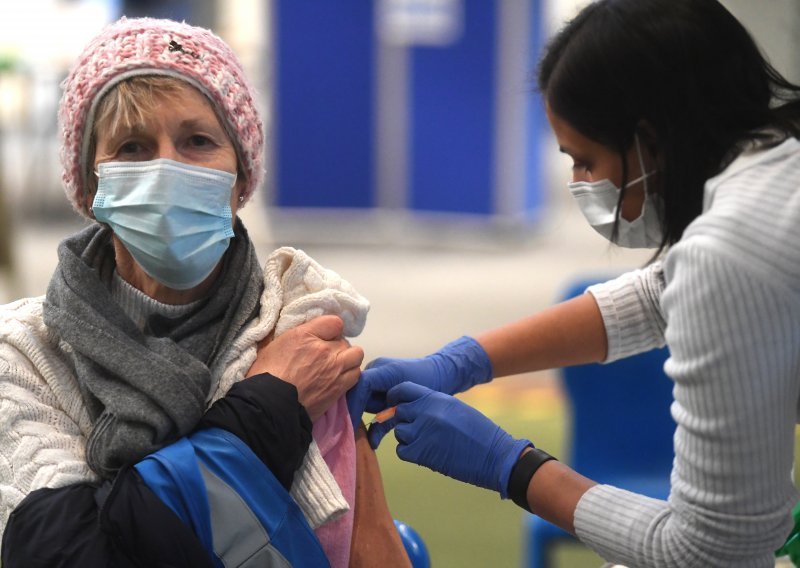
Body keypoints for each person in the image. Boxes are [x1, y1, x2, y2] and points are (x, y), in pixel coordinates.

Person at [347, 0, 800, 566]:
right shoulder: (778, 171)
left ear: (649, 142)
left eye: (584, 161)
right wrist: (462, 361)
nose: (578, 183)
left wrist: (512, 466)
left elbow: (711, 552)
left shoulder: (732, 248)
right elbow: (664, 294)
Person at [0, 16, 411, 567]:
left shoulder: (300, 324)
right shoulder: (25, 353)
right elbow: (66, 556)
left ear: (241, 178)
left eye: (197, 141)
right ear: (89, 184)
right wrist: (265, 409)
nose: (166, 167)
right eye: (132, 146)